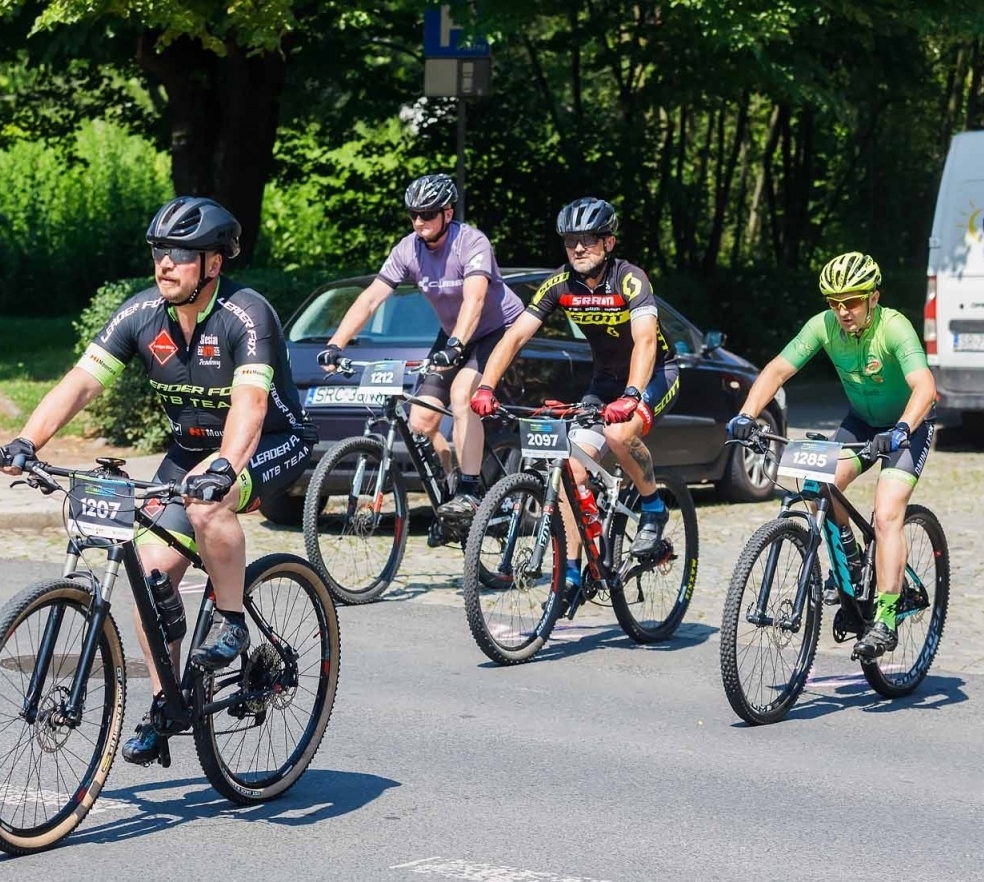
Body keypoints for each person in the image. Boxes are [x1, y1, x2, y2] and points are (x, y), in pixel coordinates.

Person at [0, 196, 315, 765]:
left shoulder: (245, 313)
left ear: (213, 264)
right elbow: (81, 382)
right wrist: (28, 441)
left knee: (208, 507)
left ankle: (234, 622)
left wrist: (224, 468)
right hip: (185, 455)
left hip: (267, 442)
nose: (165, 264)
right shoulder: (141, 314)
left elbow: (251, 404)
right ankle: (169, 705)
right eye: (160, 252)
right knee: (147, 577)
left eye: (182, 255)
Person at [727, 251, 938, 659]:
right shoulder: (822, 326)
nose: (842, 311)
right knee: (816, 486)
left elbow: (924, 386)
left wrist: (901, 429)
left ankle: (887, 618)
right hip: (860, 422)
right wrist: (746, 415)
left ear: (873, 298)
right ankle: (852, 562)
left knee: (887, 512)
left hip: (907, 427)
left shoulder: (894, 328)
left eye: (852, 301)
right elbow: (776, 371)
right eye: (834, 302)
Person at [469, 197, 678, 600]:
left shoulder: (630, 279)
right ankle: (571, 572)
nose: (578, 249)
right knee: (570, 470)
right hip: (604, 382)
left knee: (619, 436)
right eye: (570, 242)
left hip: (654, 374)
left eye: (587, 240)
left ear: (609, 242)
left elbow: (647, 339)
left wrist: (633, 395)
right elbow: (514, 336)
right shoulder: (560, 285)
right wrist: (485, 386)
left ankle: (653, 507)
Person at [314, 173, 524, 528]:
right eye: (413, 214)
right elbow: (370, 300)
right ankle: (448, 489)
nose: (419, 222)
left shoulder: (471, 242)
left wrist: (457, 346)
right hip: (453, 333)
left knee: (462, 394)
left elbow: (474, 301)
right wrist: (336, 343)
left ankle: (471, 491)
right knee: (421, 421)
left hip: (496, 329)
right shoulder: (407, 249)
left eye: (427, 214)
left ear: (447, 212)